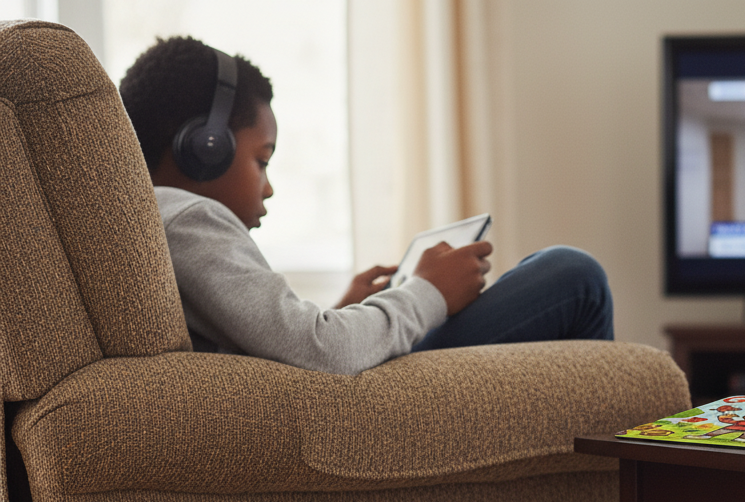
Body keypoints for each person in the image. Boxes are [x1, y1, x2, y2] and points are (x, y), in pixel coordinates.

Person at [118, 37, 613, 375]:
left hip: (332, 394)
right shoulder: (186, 217)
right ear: (205, 147)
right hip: (364, 400)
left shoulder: (161, 222)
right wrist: (428, 293)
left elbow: (290, 346)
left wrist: (340, 312)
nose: (267, 189)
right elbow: (324, 351)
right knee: (573, 277)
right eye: (262, 160)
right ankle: (614, 497)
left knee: (555, 276)